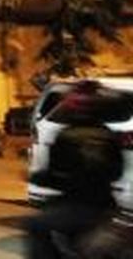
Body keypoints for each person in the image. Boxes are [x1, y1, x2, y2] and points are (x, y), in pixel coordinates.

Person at [26, 80, 125, 259]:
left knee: (36, 225)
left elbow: (58, 175)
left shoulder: (68, 135)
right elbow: (116, 171)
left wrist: (37, 177)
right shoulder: (107, 134)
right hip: (106, 203)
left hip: (80, 206)